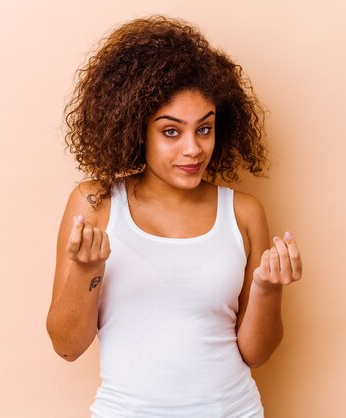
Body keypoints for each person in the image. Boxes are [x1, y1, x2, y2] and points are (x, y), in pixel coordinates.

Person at [46, 15, 303, 417]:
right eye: (171, 131)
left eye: (204, 129)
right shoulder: (95, 204)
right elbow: (66, 345)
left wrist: (269, 290)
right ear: (136, 129)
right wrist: (87, 270)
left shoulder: (243, 212)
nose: (193, 149)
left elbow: (256, 353)